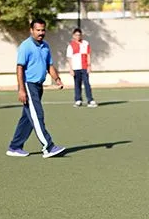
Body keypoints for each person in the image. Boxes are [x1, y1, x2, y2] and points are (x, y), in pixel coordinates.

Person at [6, 19, 66, 158]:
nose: (41, 33)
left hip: (39, 86)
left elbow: (49, 65)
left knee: (27, 119)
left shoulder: (45, 46)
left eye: (43, 30)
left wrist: (57, 79)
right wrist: (21, 89)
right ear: (31, 30)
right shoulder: (25, 46)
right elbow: (19, 68)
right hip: (29, 85)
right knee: (37, 115)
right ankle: (48, 147)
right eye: (38, 30)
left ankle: (15, 147)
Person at [66, 28, 97, 108]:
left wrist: (89, 66)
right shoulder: (70, 46)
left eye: (79, 35)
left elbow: (88, 55)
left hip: (84, 67)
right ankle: (78, 100)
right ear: (73, 36)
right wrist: (71, 69)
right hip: (76, 68)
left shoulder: (86, 43)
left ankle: (90, 100)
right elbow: (69, 58)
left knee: (87, 83)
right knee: (77, 84)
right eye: (76, 35)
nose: (78, 36)